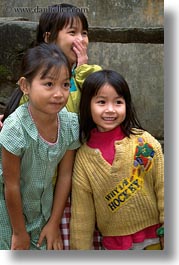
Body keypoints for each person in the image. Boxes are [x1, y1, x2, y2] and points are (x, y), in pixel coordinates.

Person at [0, 3, 102, 250]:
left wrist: (82, 67)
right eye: (72, 32)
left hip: (57, 197)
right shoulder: (20, 121)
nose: (80, 39)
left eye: (84, 33)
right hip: (22, 203)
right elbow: (11, 184)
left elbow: (91, 112)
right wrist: (19, 232)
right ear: (48, 37)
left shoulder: (71, 117)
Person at [70, 69, 164, 250]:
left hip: (153, 239)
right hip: (113, 247)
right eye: (101, 102)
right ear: (87, 105)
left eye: (118, 102)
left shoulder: (144, 142)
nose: (110, 109)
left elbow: (164, 188)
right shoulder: (83, 157)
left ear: (127, 105)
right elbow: (82, 215)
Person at [0, 43, 80, 250]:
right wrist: (18, 232)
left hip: (44, 211)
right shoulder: (15, 128)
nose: (59, 93)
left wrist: (54, 223)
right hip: (9, 213)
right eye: (48, 84)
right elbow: (11, 184)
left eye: (65, 84)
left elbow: (65, 176)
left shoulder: (70, 124)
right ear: (25, 86)